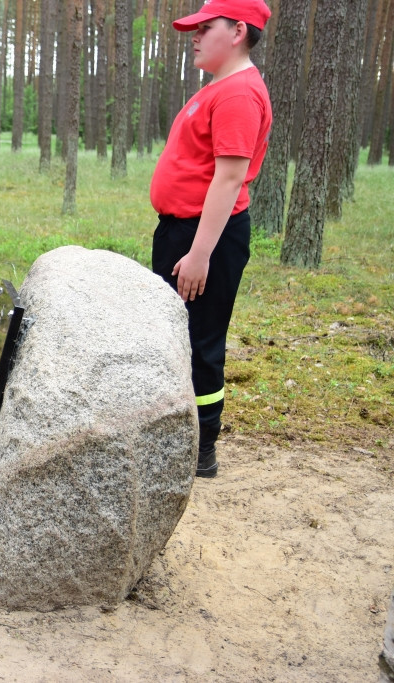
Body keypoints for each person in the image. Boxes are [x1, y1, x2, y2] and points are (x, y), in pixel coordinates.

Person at [150, 0, 273, 478]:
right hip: (185, 231)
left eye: (206, 27)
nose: (195, 36)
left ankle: (200, 447)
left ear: (238, 30)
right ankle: (172, 437)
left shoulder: (240, 93)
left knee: (199, 340)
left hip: (207, 238)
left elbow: (229, 178)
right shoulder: (220, 87)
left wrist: (199, 254)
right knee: (171, 335)